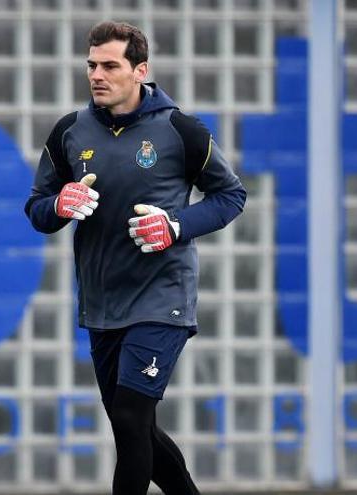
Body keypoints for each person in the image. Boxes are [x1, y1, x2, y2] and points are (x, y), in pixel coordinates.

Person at [24, 20, 246, 495]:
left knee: (129, 416)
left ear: (140, 70)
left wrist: (176, 226)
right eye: (91, 65)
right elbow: (38, 209)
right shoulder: (70, 131)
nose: (96, 75)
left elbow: (230, 196)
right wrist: (59, 205)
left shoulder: (179, 129)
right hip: (103, 304)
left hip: (162, 299)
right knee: (136, 429)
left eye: (110, 65)